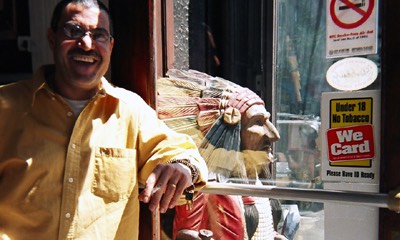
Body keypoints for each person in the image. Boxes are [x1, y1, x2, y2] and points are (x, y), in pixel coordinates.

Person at [0, 1, 208, 239]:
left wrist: (182, 167)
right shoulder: (6, 106)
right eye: (73, 31)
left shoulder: (130, 110)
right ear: (52, 38)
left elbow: (179, 151)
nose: (86, 44)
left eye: (98, 35)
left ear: (110, 46)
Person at [157, 69, 287, 240]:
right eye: (258, 123)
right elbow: (184, 235)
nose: (274, 135)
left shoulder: (258, 181)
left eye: (267, 121)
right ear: (233, 129)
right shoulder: (206, 186)